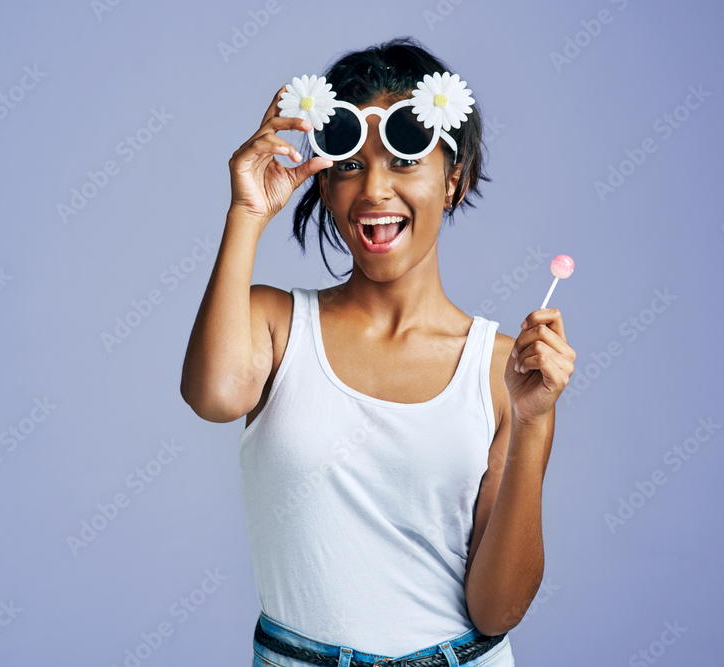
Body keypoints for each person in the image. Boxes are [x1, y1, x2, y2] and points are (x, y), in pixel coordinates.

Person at [180, 36, 576, 667]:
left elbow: (497, 611)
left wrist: (534, 421)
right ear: (325, 183)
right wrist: (247, 215)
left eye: (403, 160)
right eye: (348, 165)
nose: (373, 189)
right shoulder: (274, 323)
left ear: (454, 179)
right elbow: (215, 395)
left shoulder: (506, 370)